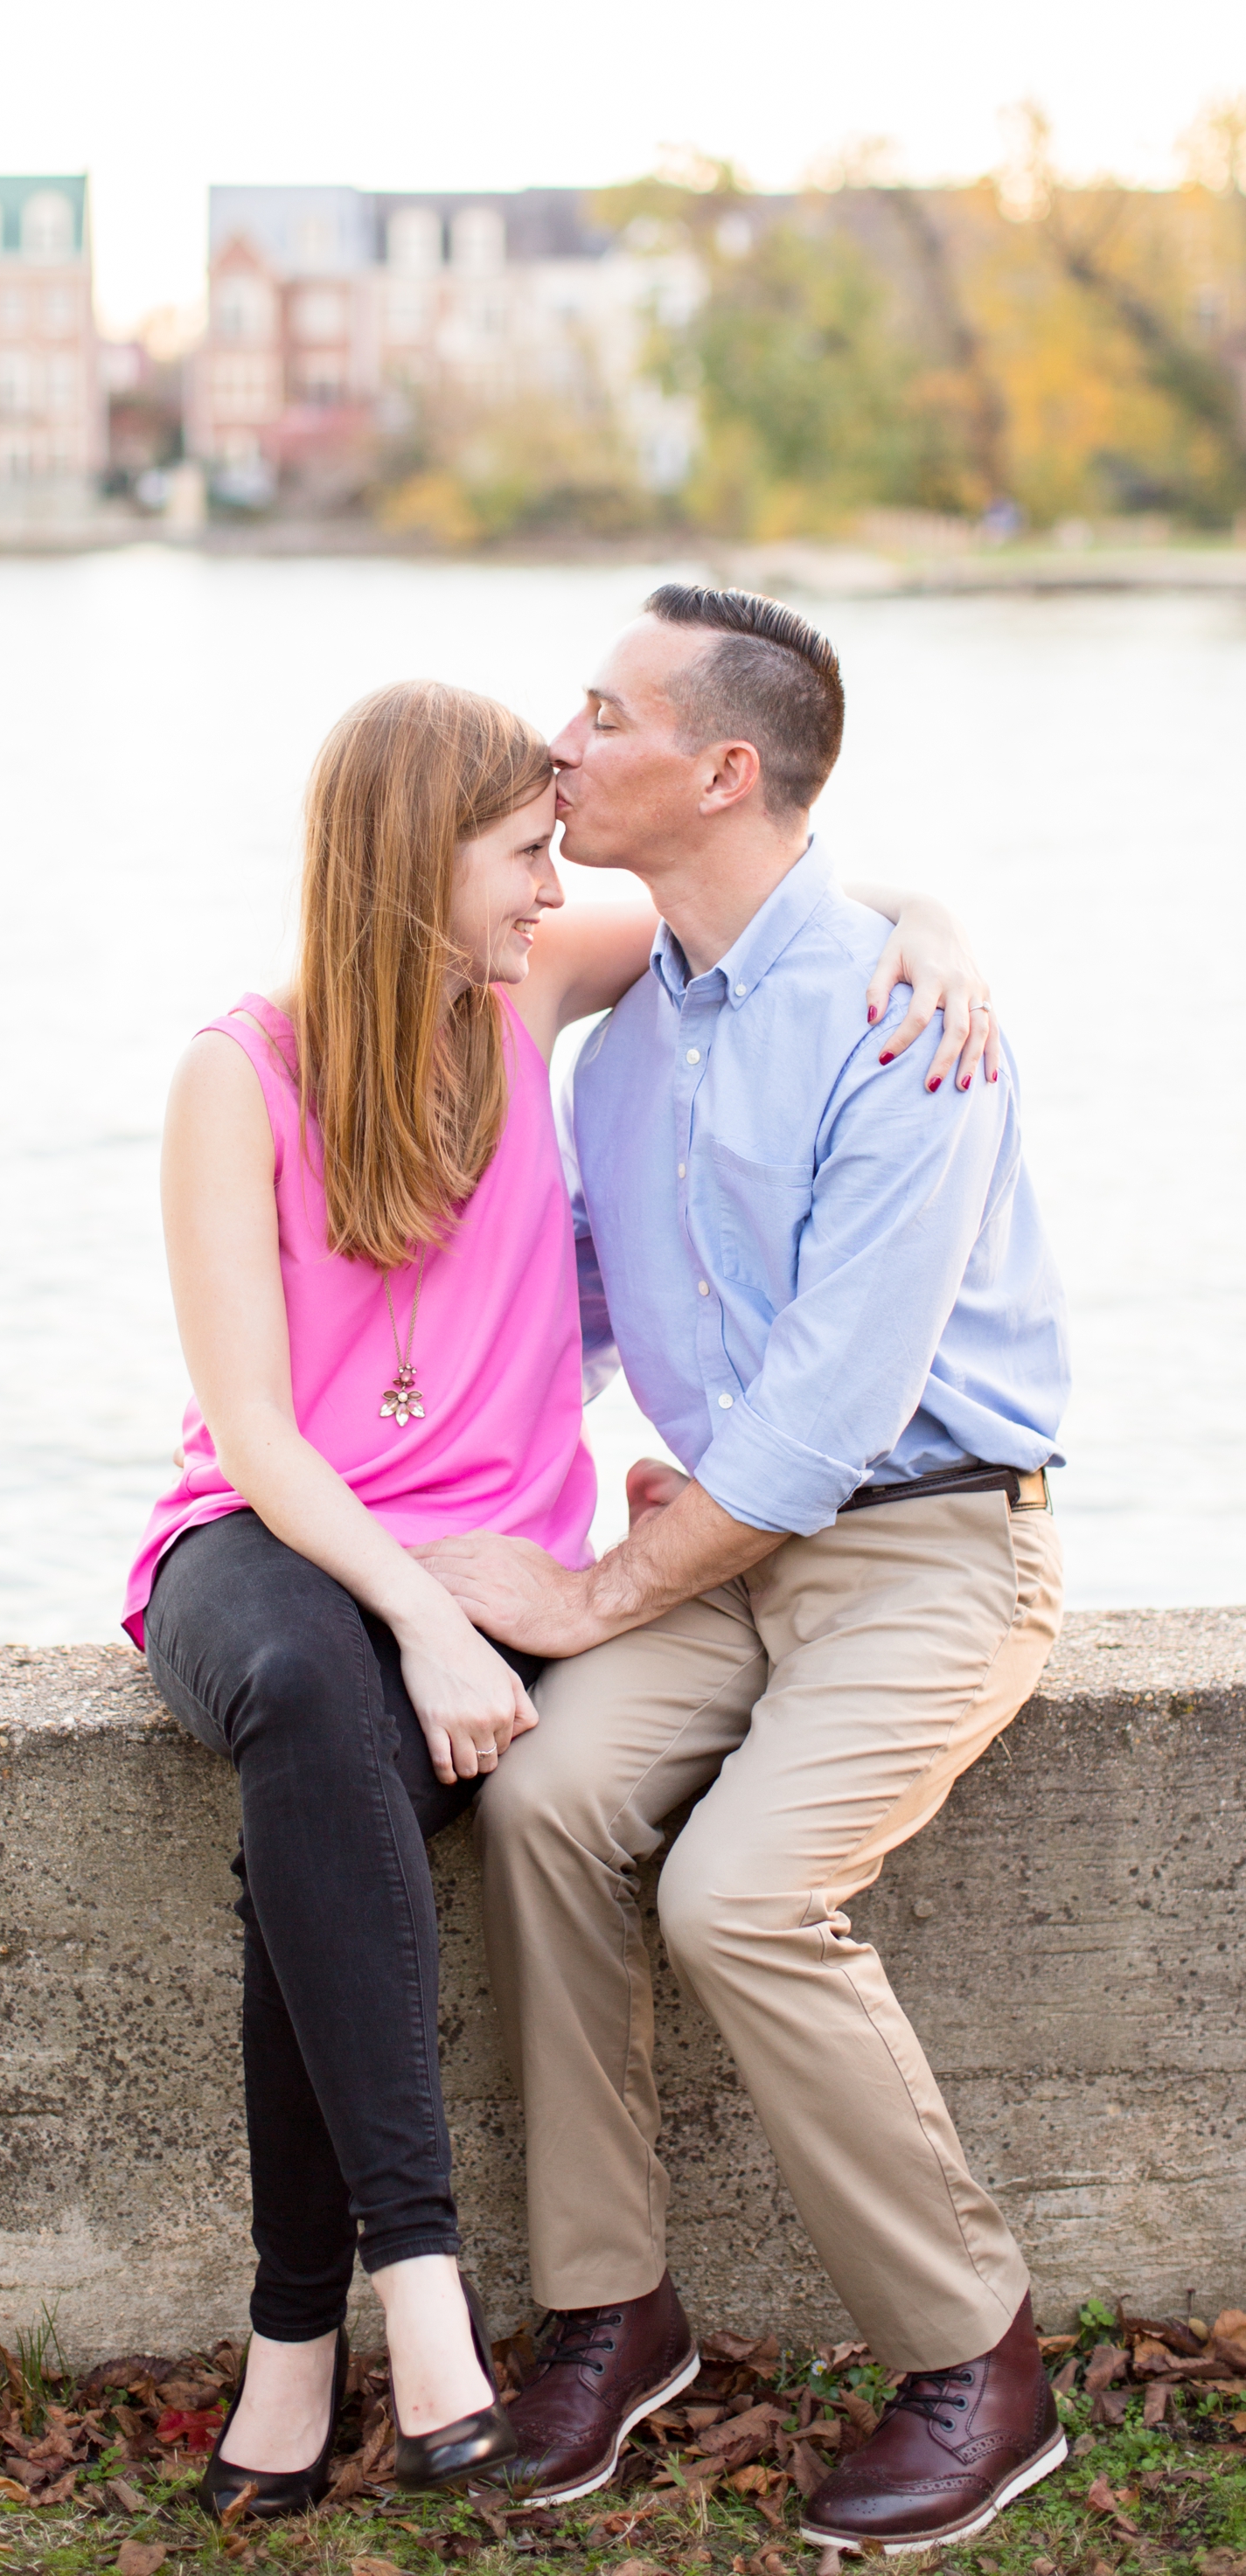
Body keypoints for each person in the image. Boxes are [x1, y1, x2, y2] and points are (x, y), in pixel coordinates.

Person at [123, 672, 997, 2519]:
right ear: (407, 863)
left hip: (489, 1548)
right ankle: (419, 2296)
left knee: (331, 1797)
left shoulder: (528, 980)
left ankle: (294, 2355)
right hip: (278, 1535)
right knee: (309, 1693)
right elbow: (259, 1436)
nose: (550, 883)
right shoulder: (239, 1067)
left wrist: (941, 929)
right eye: (521, 853)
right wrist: (430, 1619)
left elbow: (769, 911)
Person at [417, 587, 1070, 2553]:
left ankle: (980, 2365)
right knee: (536, 1798)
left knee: (741, 1895)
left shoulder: (897, 1010)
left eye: (599, 716)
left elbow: (828, 1417)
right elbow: (578, 1319)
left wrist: (600, 1599)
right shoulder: (623, 1041)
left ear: (718, 768)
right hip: (717, 1549)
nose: (557, 744)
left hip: (934, 1544)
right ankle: (615, 2314)